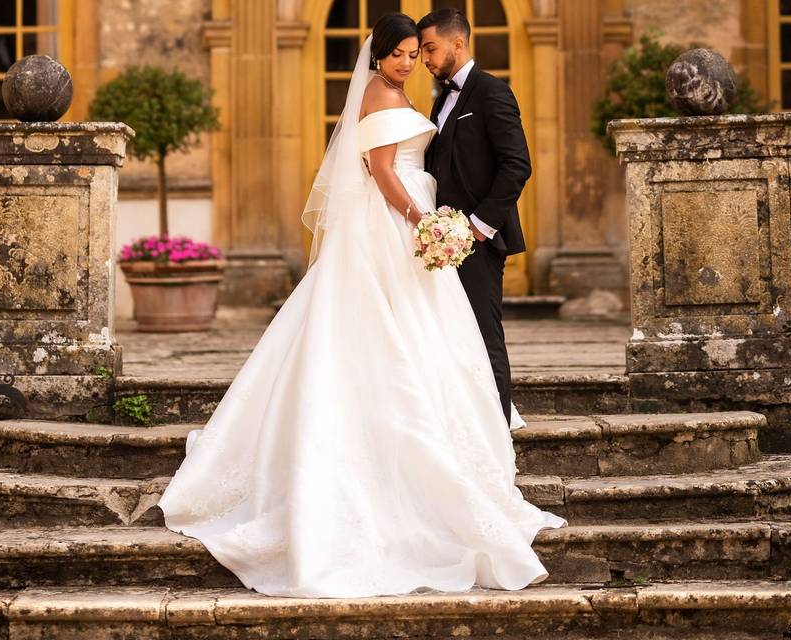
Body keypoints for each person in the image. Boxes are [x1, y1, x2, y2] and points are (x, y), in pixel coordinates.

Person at [156, 12, 567, 599]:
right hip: (397, 225)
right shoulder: (381, 92)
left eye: (416, 51)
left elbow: (504, 163)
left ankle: (484, 452)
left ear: (449, 44)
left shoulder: (449, 92)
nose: (410, 61)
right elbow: (378, 169)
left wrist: (453, 224)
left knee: (453, 339)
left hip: (429, 231)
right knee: (389, 332)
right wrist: (421, 219)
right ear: (378, 56)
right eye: (401, 52)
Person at [420, 9, 531, 425]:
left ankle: (498, 435)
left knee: (486, 339)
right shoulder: (440, 100)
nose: (426, 59)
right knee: (453, 339)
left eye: (430, 48)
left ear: (458, 44)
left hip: (478, 241)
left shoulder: (492, 93)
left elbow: (517, 165)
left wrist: (478, 227)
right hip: (442, 242)